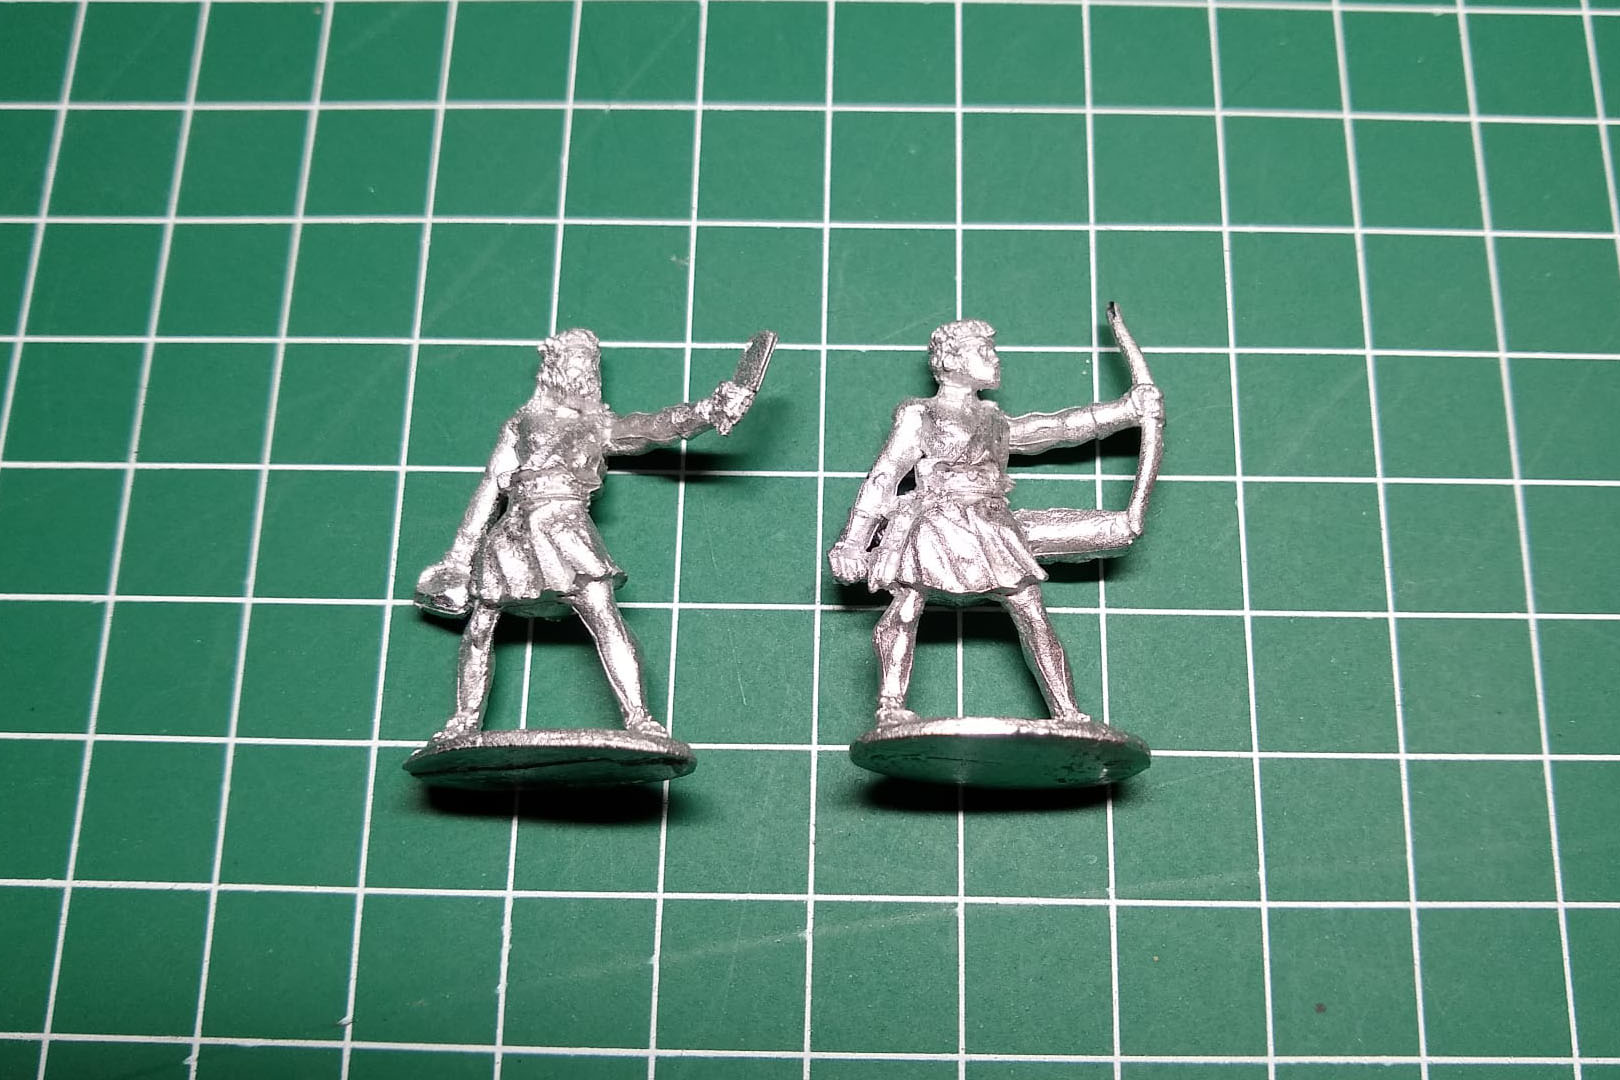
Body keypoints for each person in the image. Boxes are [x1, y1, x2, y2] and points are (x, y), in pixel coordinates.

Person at [415, 327, 760, 744]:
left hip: (567, 527)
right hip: (515, 530)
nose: (585, 370)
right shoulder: (522, 423)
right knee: (481, 625)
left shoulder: (598, 425)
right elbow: (491, 485)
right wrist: (459, 556)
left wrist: (709, 409)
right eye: (577, 359)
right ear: (554, 366)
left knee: (603, 614)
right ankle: (463, 722)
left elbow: (652, 428)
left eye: (590, 363)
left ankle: (640, 719)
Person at [828, 316, 1164, 729]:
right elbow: (885, 476)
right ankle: (890, 704)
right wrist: (852, 543)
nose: (994, 359)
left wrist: (1126, 410)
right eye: (983, 351)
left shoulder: (993, 420)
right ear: (952, 360)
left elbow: (1056, 428)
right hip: (934, 522)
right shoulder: (922, 415)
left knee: (1031, 610)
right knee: (907, 605)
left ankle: (1068, 712)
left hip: (992, 525)